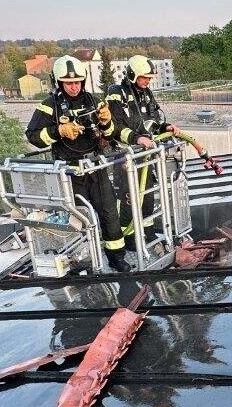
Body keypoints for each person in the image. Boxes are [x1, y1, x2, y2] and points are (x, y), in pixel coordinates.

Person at [25, 55, 130, 272]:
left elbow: (109, 134)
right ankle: (83, 261)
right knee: (77, 218)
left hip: (96, 168)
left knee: (109, 212)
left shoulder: (94, 101)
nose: (74, 87)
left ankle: (116, 258)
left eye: (77, 82)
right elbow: (33, 136)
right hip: (70, 173)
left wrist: (106, 122)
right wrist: (58, 131)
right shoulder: (49, 107)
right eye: (68, 83)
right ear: (58, 82)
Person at [106, 55, 177, 244]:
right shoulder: (116, 94)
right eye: (144, 77)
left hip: (145, 156)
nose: (147, 81)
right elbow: (114, 127)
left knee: (147, 197)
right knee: (128, 199)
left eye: (149, 78)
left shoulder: (146, 94)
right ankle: (128, 239)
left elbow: (153, 121)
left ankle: (148, 233)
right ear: (132, 75)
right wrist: (136, 138)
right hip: (125, 157)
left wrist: (166, 127)